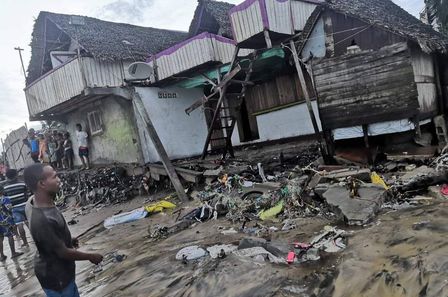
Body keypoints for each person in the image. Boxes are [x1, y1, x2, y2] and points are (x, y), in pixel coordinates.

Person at [24, 164, 103, 297]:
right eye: (55, 176)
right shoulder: (42, 219)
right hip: (57, 278)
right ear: (42, 184)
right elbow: (63, 252)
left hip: (57, 271)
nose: (59, 179)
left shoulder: (32, 201)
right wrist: (91, 256)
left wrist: (67, 239)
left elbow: (47, 238)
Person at [3, 169, 29, 247]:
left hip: (14, 208)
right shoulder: (22, 184)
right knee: (29, 223)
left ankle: (25, 242)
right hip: (25, 205)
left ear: (7, 177)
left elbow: (6, 200)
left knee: (19, 225)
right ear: (16, 175)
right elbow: (27, 194)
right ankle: (37, 239)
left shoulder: (5, 188)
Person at [0, 185, 23, 261]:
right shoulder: (5, 199)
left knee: (0, 238)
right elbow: (9, 208)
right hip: (6, 220)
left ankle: (2, 255)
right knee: (10, 236)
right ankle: (13, 253)